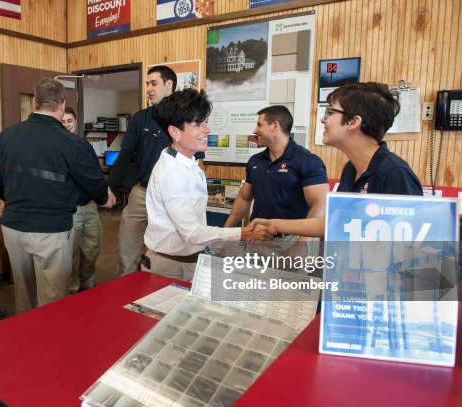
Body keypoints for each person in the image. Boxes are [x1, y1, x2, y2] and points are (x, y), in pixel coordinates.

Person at [0, 78, 116, 313]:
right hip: (50, 230)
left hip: (13, 228)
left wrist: (15, 195)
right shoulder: (72, 143)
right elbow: (93, 184)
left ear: (35, 101)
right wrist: (105, 199)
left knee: (24, 295)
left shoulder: (6, 136)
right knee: (53, 301)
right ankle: (48, 347)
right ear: (62, 104)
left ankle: (25, 341)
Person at [252, 82, 423, 238]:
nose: (323, 118)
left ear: (353, 122)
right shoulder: (351, 169)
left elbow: (412, 246)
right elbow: (335, 222)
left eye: (330, 112)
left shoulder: (395, 173)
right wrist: (274, 224)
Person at [145, 89, 273, 281]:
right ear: (174, 132)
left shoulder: (186, 160)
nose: (207, 129)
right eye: (198, 124)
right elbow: (192, 233)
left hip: (189, 258)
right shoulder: (172, 172)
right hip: (172, 265)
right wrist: (243, 233)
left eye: (205, 122)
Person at [224, 105, 329, 255]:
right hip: (257, 239)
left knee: (286, 280)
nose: (255, 130)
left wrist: (301, 245)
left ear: (275, 126)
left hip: (291, 242)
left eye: (259, 124)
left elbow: (320, 205)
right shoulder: (255, 161)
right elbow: (244, 198)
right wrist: (225, 234)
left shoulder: (308, 161)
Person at [108, 65, 177, 276]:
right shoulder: (140, 118)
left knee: (164, 255)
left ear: (169, 85)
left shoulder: (184, 118)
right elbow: (125, 154)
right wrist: (110, 187)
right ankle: (125, 290)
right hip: (141, 193)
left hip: (171, 197)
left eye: (153, 83)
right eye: (147, 84)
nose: (148, 88)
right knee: (126, 248)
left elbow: (194, 162)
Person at [62, 107, 103, 293]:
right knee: (70, 253)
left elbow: (95, 174)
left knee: (92, 247)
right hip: (71, 209)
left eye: (69, 121)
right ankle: (72, 287)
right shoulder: (57, 147)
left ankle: (87, 282)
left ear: (75, 122)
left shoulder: (84, 145)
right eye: (62, 121)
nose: (66, 124)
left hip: (90, 205)